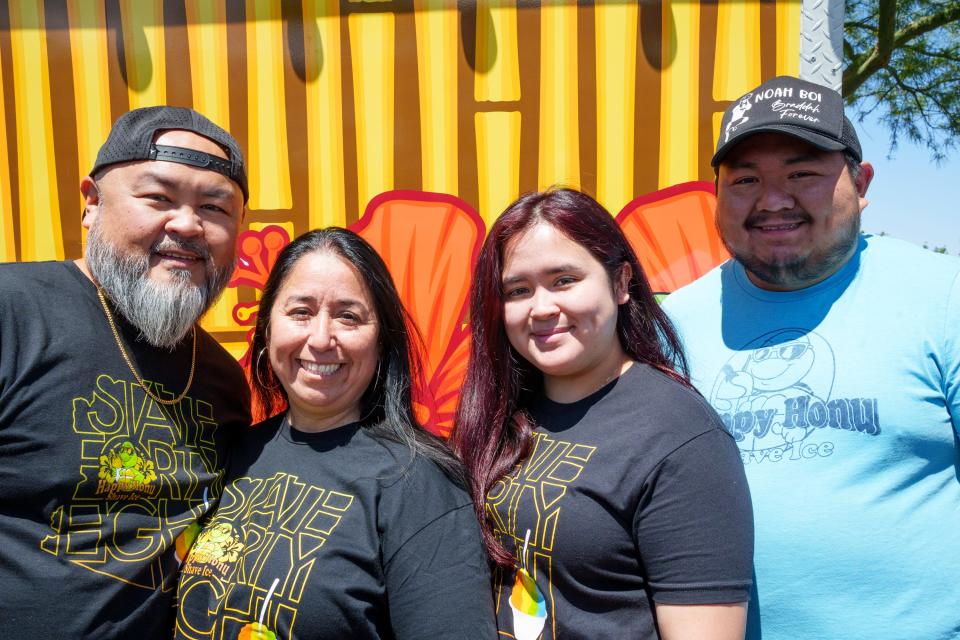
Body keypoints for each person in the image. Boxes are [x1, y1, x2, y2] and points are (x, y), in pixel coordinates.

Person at [662, 75, 960, 639]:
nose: (774, 200)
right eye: (746, 179)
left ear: (861, 180)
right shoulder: (671, 326)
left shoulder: (945, 298)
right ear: (718, 198)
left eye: (803, 173)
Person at [452, 188, 754, 640]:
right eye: (518, 290)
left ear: (620, 283)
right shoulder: (500, 415)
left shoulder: (682, 438)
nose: (541, 308)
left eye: (564, 280)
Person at [0, 107, 251, 637]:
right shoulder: (12, 312)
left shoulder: (225, 382)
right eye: (158, 198)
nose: (187, 224)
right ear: (91, 203)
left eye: (214, 207)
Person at [174, 228, 497, 640]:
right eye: (301, 312)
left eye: (348, 316)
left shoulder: (417, 482)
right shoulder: (236, 452)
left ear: (381, 342)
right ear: (267, 329)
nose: (321, 339)